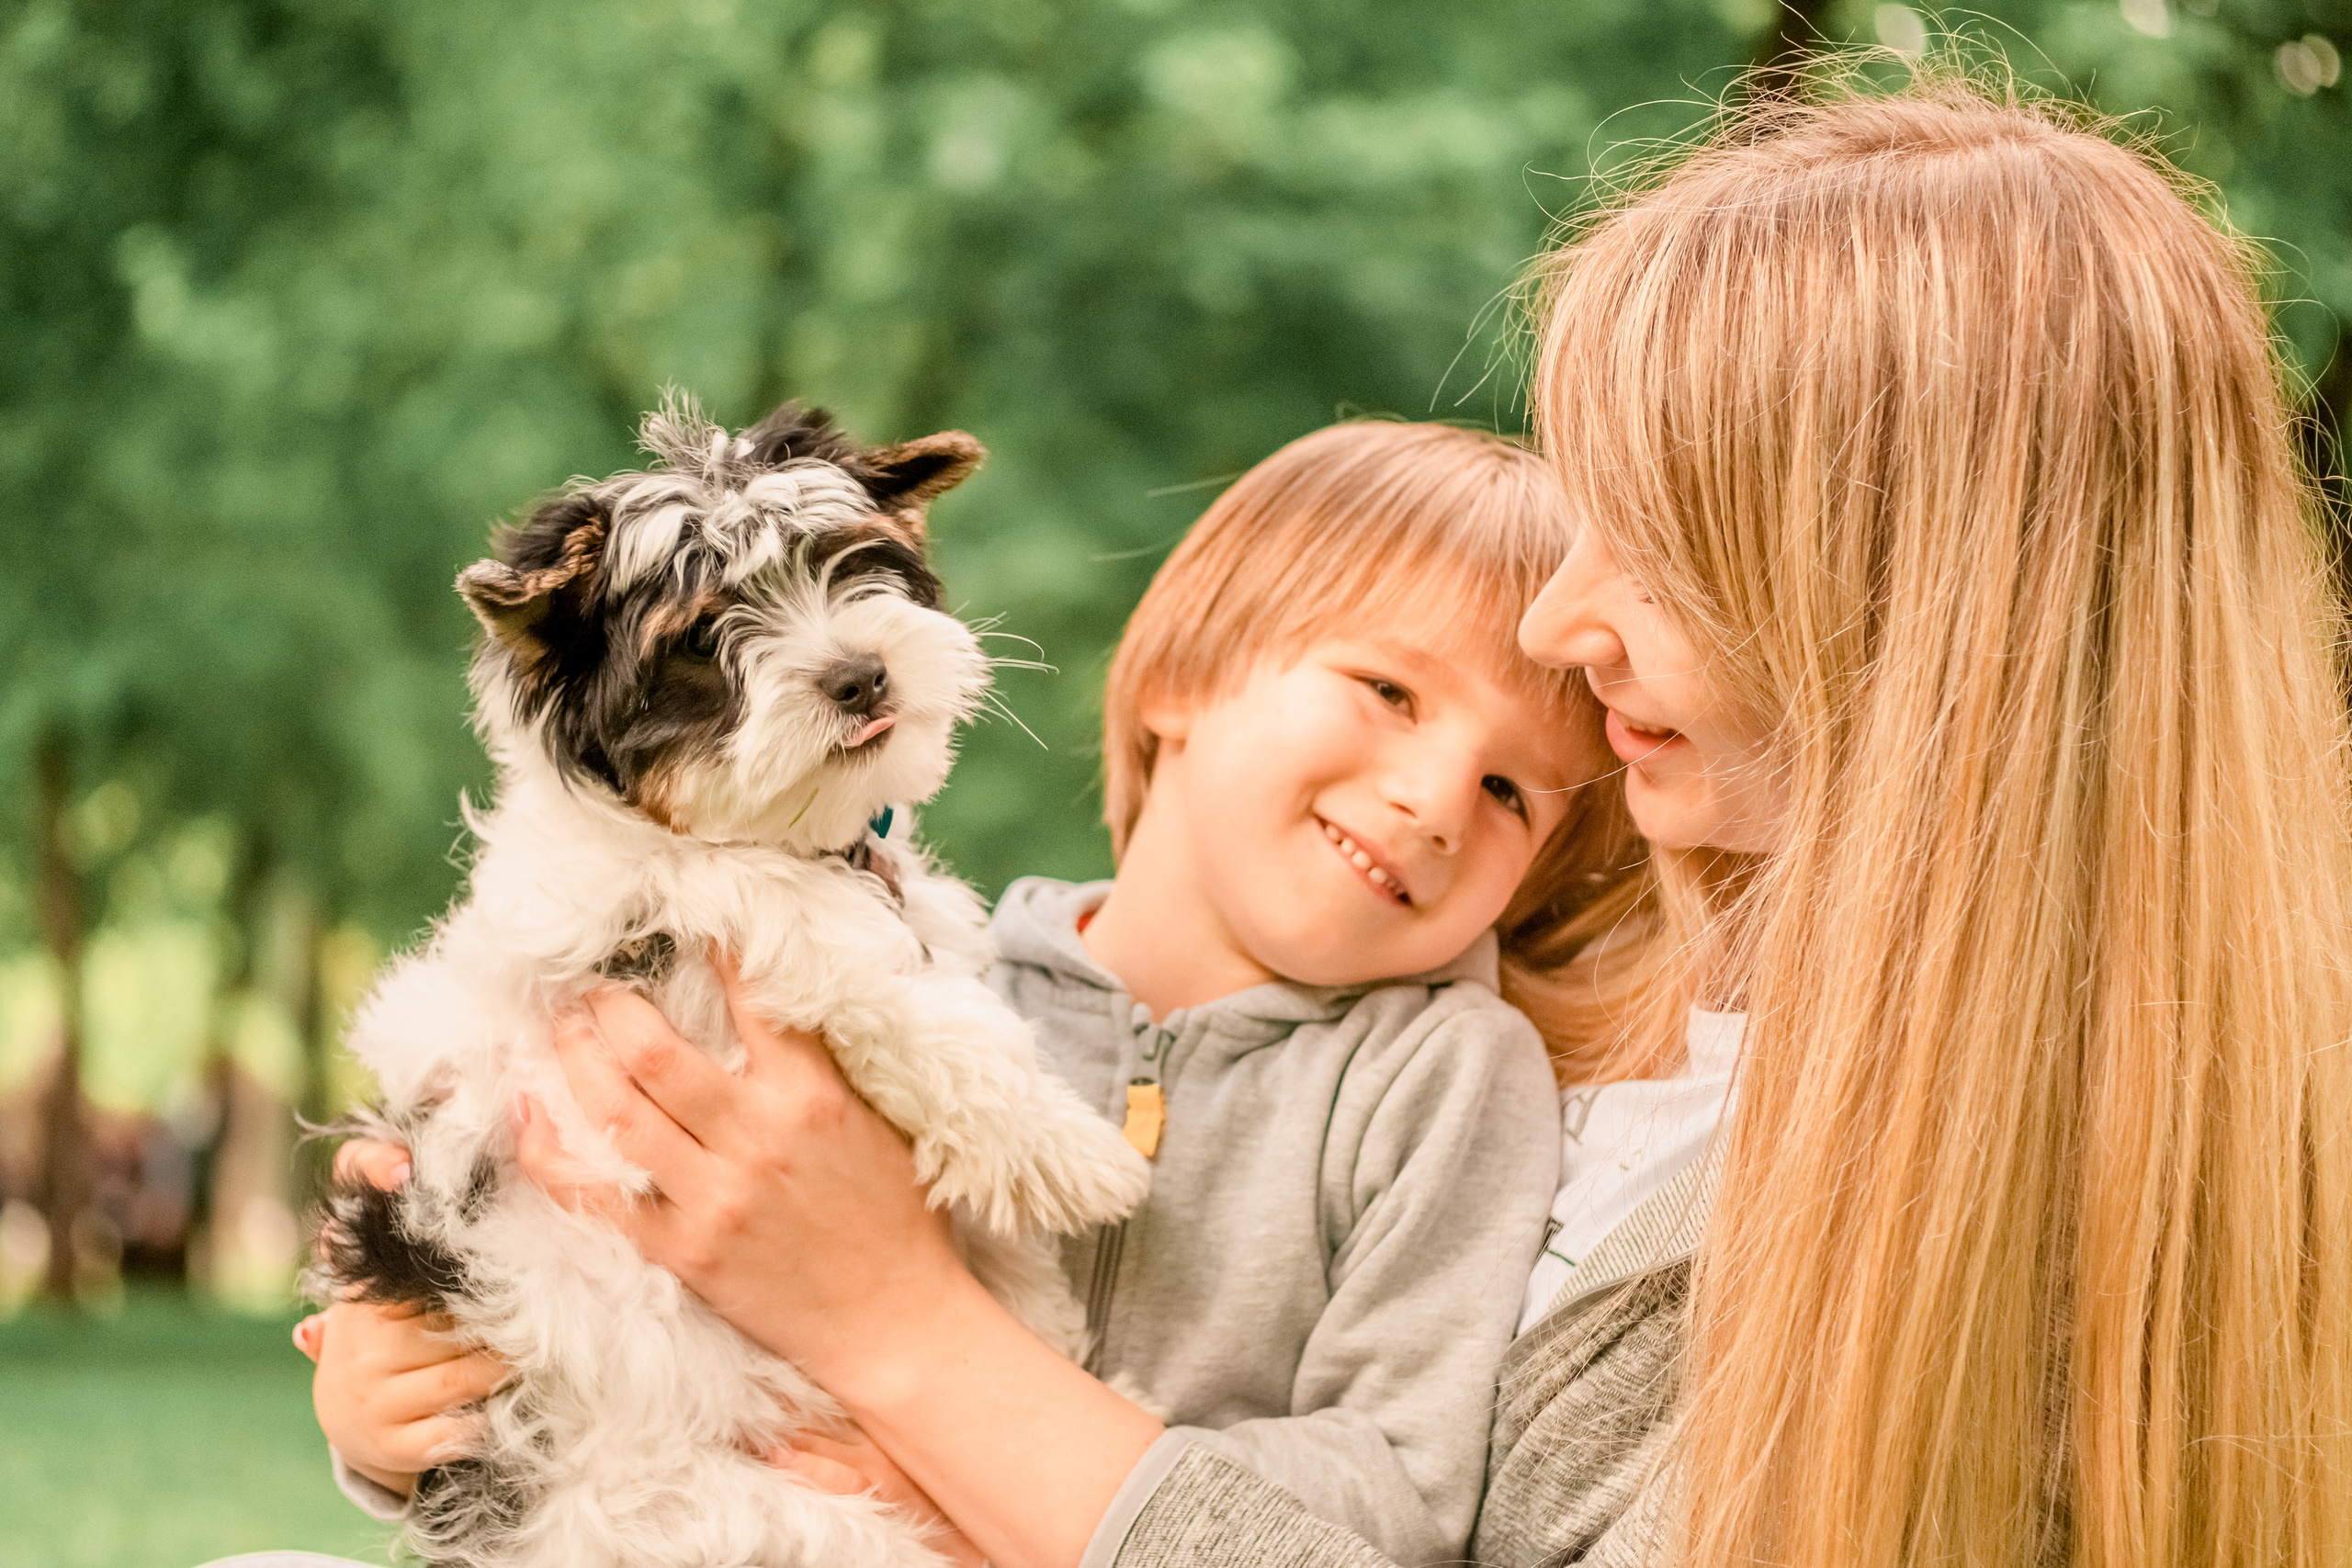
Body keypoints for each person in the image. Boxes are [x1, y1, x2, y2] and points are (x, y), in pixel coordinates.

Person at [409, 66, 2344, 1568]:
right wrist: (443, 1384)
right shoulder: (1582, 993)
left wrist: (899, 1334)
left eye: (1663, 543)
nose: (1561, 627)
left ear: (1934, 622)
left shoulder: (1987, 1222)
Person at [296, 420, 1666, 1564]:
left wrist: (987, 1463)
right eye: (1389, 692)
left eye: (1511, 791)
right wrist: (394, 1405)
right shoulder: (917, 977)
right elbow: (598, 1265)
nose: (1433, 800)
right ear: (1182, 678)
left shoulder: (1447, 1078)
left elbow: (1405, 1501)